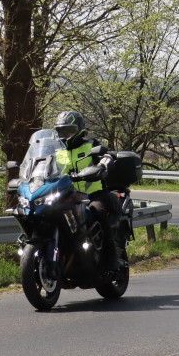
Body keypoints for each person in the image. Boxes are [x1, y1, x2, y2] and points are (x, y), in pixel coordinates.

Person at [53, 111, 124, 271]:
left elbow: (107, 156)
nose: (65, 134)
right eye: (62, 131)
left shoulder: (91, 145)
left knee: (96, 211)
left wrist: (102, 166)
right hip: (66, 198)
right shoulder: (56, 151)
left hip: (95, 195)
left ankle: (112, 258)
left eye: (69, 130)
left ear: (79, 129)